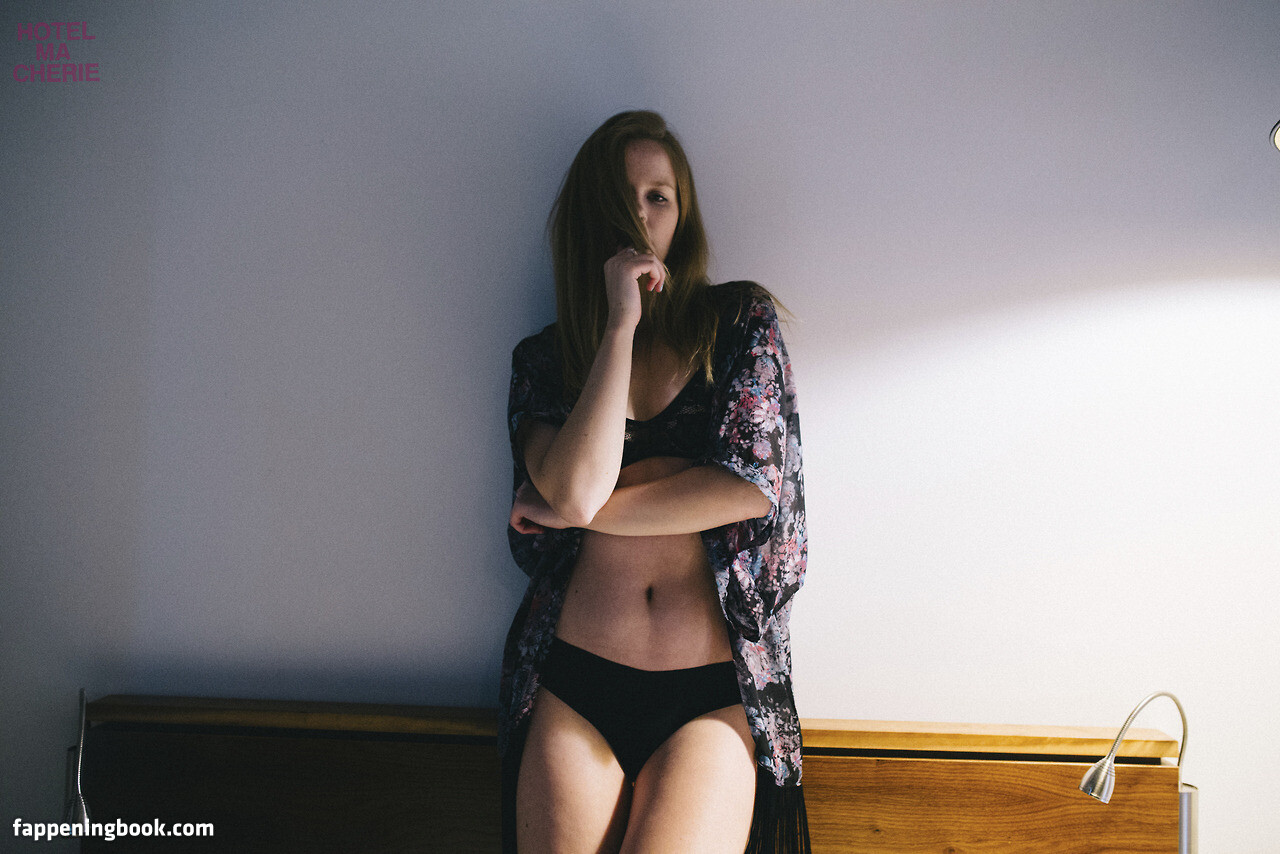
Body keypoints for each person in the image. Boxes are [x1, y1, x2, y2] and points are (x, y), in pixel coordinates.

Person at [500, 110, 809, 854]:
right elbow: (577, 490)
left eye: (658, 197)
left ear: (683, 213)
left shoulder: (737, 324)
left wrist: (575, 513)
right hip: (574, 683)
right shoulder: (546, 362)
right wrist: (618, 324)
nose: (639, 216)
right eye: (621, 197)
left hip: (707, 693)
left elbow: (747, 487)